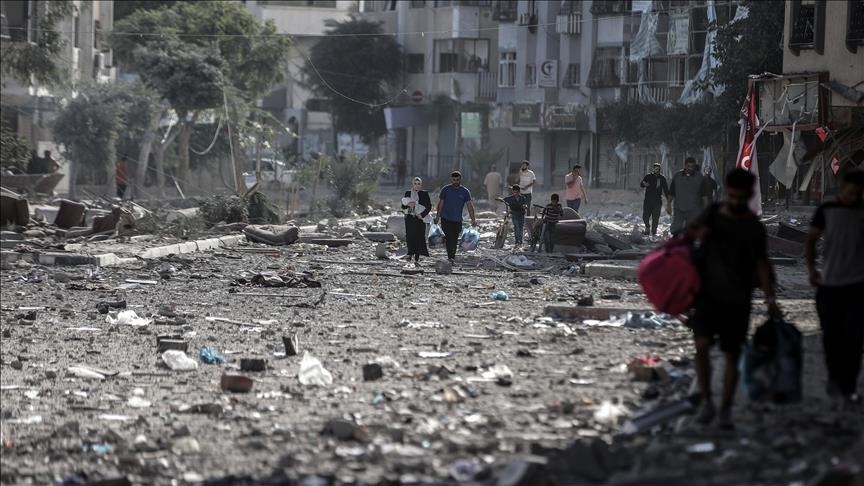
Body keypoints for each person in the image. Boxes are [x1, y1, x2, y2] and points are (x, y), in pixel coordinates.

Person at [687, 168, 781, 428]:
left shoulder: (753, 227)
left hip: (738, 300)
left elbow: (762, 264)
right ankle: (707, 402)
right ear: (727, 191)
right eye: (733, 196)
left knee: (731, 355)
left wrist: (771, 300)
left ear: (749, 195)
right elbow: (688, 235)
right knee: (701, 346)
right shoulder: (713, 213)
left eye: (742, 197)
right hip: (706, 295)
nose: (737, 201)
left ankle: (725, 409)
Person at [805, 170, 864, 405]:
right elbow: (811, 241)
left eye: (857, 194)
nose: (852, 198)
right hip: (829, 284)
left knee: (854, 340)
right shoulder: (826, 210)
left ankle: (848, 387)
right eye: (849, 193)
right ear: (842, 189)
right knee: (831, 337)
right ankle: (834, 379)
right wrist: (812, 270)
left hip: (858, 285)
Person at [434, 171, 477, 264]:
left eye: (457, 180)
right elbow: (440, 204)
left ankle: (451, 256)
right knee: (449, 237)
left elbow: (470, 206)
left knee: (454, 239)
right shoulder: (446, 190)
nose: (455, 182)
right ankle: (451, 257)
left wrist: (473, 219)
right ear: (451, 180)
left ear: (460, 179)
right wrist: (437, 217)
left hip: (457, 220)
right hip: (446, 218)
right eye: (454, 180)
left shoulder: (465, 192)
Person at [669, 156, 707, 235]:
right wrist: (668, 204)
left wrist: (706, 208)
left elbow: (704, 194)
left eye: (692, 166)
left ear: (694, 166)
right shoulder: (677, 176)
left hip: (693, 209)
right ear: (685, 165)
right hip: (679, 208)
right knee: (676, 229)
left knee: (690, 231)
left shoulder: (700, 177)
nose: (690, 168)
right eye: (688, 166)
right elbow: (672, 192)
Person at [401, 177, 433, 267]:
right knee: (410, 236)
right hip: (410, 218)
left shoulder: (424, 194)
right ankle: (410, 253)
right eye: (415, 183)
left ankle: (417, 257)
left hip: (420, 219)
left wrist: (422, 215)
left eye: (418, 184)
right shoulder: (408, 193)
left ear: (421, 185)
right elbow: (403, 206)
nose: (417, 185)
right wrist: (408, 205)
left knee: (419, 237)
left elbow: (429, 206)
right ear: (413, 184)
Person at [640, 163, 669, 235]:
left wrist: (669, 199)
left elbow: (666, 189)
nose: (657, 171)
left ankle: (654, 232)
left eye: (658, 169)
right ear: (653, 169)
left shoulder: (662, 178)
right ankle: (647, 227)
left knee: (655, 218)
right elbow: (642, 184)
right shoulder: (648, 176)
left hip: (657, 201)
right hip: (648, 200)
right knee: (645, 216)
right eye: (656, 169)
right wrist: (644, 184)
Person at [498, 184, 527, 249]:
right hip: (514, 214)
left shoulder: (523, 198)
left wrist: (525, 206)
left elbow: (525, 205)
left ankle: (520, 242)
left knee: (521, 228)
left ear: (519, 192)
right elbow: (503, 200)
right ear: (513, 192)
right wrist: (500, 199)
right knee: (516, 228)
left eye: (517, 192)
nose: (515, 193)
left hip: (521, 214)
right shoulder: (510, 198)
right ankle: (517, 242)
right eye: (514, 192)